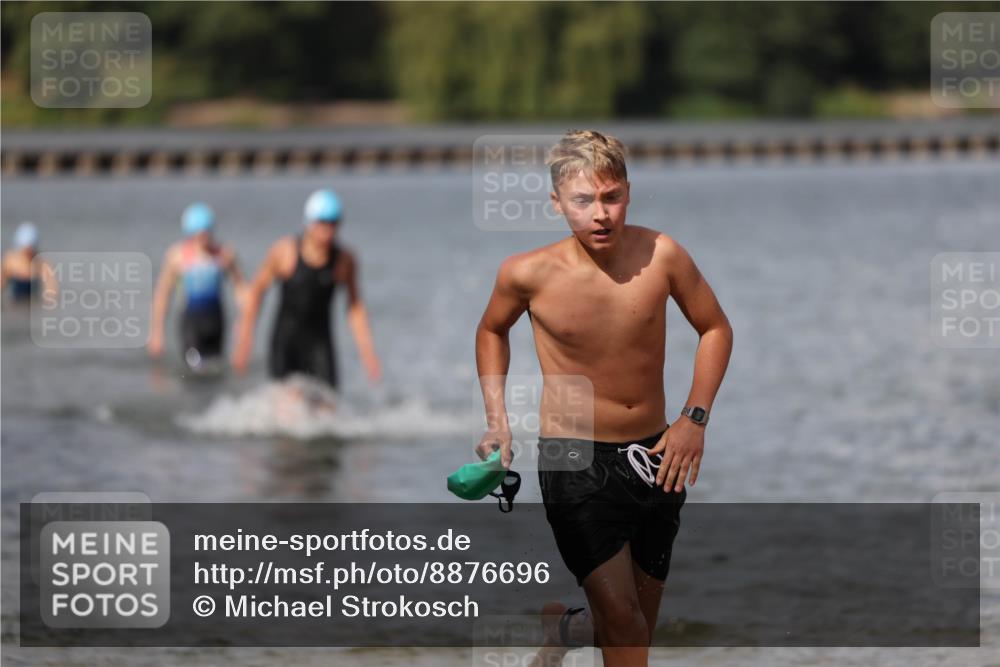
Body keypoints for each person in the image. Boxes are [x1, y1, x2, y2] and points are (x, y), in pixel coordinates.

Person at [475, 130, 733, 666]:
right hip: (573, 459)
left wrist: (694, 419)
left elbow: (715, 328)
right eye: (583, 201)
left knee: (635, 627)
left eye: (611, 197)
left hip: (659, 458)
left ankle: (566, 630)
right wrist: (498, 423)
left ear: (628, 193)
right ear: (557, 203)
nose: (601, 214)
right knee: (625, 623)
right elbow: (491, 331)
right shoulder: (526, 273)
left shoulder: (663, 255)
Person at [232, 189, 381, 389]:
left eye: (334, 223)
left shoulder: (345, 261)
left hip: (320, 343)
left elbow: (355, 308)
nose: (328, 230)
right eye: (322, 222)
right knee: (286, 405)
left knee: (328, 406)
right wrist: (245, 341)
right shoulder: (284, 252)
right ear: (309, 222)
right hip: (286, 342)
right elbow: (256, 293)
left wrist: (368, 354)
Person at [148, 203, 245, 373]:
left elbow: (240, 288)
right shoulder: (177, 256)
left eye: (207, 233)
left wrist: (243, 320)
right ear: (190, 233)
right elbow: (163, 294)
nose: (204, 238)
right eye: (200, 234)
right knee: (194, 368)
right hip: (191, 321)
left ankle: (212, 399)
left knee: (216, 367)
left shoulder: (224, 254)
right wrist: (157, 332)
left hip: (216, 319)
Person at [1, 222, 57, 304]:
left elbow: (52, 290)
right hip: (15, 303)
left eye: (31, 249)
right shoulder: (11, 262)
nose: (29, 252)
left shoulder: (40, 263)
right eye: (26, 249)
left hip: (33, 303)